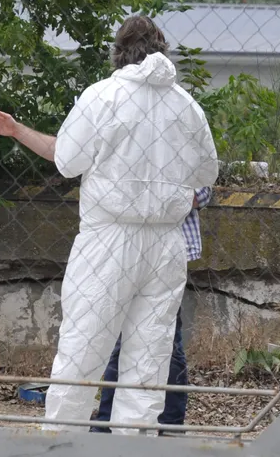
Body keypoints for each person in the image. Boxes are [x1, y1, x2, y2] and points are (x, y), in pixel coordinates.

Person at [0, 15, 218, 433]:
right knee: (148, 365)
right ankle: (131, 445)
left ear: (118, 52)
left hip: (109, 238)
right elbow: (206, 174)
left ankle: (61, 444)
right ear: (161, 50)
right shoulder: (187, 106)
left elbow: (68, 160)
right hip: (165, 243)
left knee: (82, 352)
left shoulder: (103, 96)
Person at [89, 184, 213, 434]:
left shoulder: (183, 146)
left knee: (166, 341)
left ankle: (169, 424)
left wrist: (148, 197)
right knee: (118, 339)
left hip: (167, 254)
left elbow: (200, 195)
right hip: (123, 251)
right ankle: (107, 421)